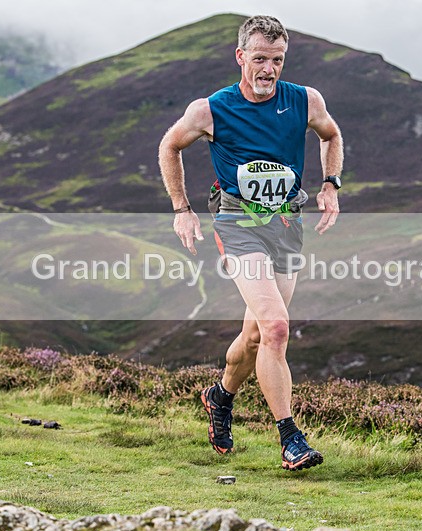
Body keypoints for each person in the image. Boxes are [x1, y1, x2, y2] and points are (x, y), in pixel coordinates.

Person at [158, 14, 343, 471]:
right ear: (241, 56)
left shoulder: (304, 100)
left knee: (258, 333)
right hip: (237, 223)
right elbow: (169, 146)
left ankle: (220, 395)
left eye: (277, 60)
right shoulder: (210, 110)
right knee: (278, 327)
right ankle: (290, 438)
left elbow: (331, 135)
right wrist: (182, 210)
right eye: (260, 58)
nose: (269, 69)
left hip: (285, 223)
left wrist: (330, 183)